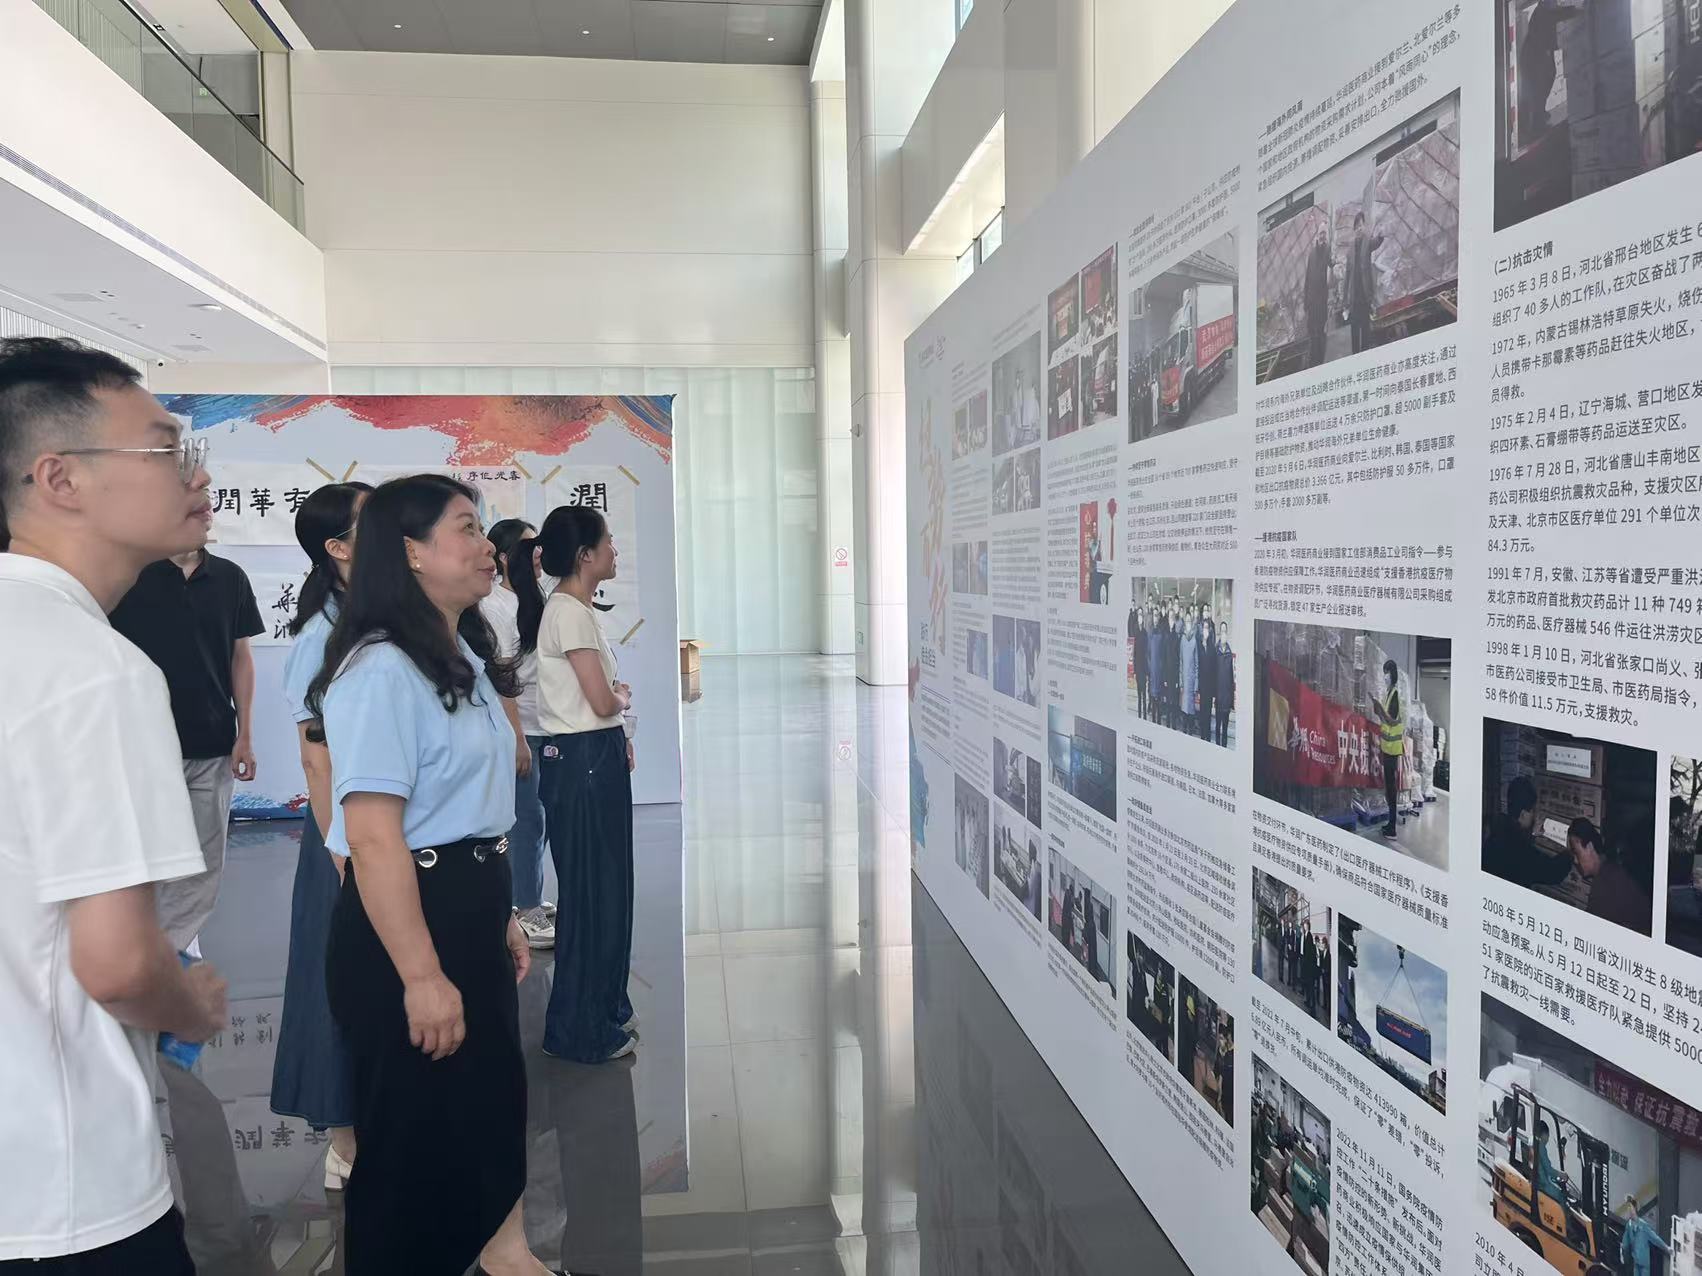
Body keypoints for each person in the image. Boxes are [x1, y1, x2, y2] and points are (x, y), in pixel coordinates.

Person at [0, 337, 227, 1271]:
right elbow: (122, 963)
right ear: (60, 478)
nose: (195, 475)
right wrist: (193, 1008)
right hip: (66, 1186)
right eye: (166, 448)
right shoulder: (97, 669)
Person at [307, 474, 545, 1276]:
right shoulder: (380, 669)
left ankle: (499, 1257)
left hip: (468, 902)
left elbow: (464, 805)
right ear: (410, 553)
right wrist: (420, 975)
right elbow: (375, 840)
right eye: (467, 529)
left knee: (482, 1111)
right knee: (412, 1141)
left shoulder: (456, 652)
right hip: (408, 921)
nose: (487, 548)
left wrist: (499, 912)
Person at [269, 480, 370, 1192]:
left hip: (388, 829)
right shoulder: (321, 635)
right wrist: (344, 849)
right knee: (336, 980)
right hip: (345, 838)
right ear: (337, 548)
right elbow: (317, 758)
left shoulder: (385, 617)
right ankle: (345, 1143)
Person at [516, 505, 639, 1064]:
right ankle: (580, 1029)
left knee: (605, 890)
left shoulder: (573, 609)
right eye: (608, 541)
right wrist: (620, 699)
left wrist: (615, 710)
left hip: (591, 756)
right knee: (594, 895)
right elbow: (600, 699)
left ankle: (605, 1007)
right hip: (585, 759)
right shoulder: (568, 611)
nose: (615, 550)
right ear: (586, 555)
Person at [109, 538, 263, 954]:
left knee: (204, 862)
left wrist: (245, 734)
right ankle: (142, 953)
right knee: (142, 860)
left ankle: (169, 950)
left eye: (209, 508)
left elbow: (241, 658)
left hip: (213, 742)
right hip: (143, 746)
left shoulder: (230, 577)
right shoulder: (129, 574)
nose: (205, 513)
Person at [483, 518, 556, 949]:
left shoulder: (536, 598)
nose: (539, 554)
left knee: (538, 817)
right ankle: (524, 908)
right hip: (521, 728)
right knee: (526, 819)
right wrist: (517, 738)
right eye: (530, 548)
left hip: (544, 724)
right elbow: (503, 677)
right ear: (506, 558)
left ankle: (530, 896)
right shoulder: (493, 606)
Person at [1484, 776, 1575, 890]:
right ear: (1523, 814)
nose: (1534, 815)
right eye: (1532, 811)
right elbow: (1553, 872)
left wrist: (1531, 835)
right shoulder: (1520, 851)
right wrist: (1571, 851)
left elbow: (1517, 846)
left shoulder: (1496, 833)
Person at [1569, 818, 1655, 935]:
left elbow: (1589, 932)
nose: (1575, 860)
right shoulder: (1611, 869)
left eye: (1576, 852)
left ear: (1589, 847)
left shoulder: (1604, 884)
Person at [1371, 659, 1405, 840]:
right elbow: (1384, 718)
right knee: (1388, 786)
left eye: (1387, 672)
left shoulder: (1395, 695)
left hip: (1393, 749)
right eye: (1384, 672)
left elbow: (1391, 720)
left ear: (1392, 674)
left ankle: (1392, 829)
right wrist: (1377, 709)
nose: (1385, 676)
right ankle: (1390, 824)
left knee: (1391, 788)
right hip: (1387, 747)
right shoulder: (1388, 694)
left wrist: (1381, 710)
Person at [1346, 213, 1386, 355]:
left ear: (1364, 227)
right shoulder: (1350, 248)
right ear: (1354, 229)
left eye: (1361, 225)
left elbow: (1376, 243)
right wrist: (1345, 298)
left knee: (1365, 327)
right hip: (1354, 296)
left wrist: (1380, 237)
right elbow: (1347, 274)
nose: (1359, 228)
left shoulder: (1367, 242)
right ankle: (1355, 356)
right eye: (1357, 226)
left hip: (1364, 294)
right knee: (1354, 329)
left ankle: (1364, 355)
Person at [1620, 1199, 1670, 1276]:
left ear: (1635, 1208)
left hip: (1644, 1263)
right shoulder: (1629, 1225)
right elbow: (1625, 1243)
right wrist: (1622, 1254)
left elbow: (1654, 1238)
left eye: (1630, 1207)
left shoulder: (1643, 1225)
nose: (1629, 1210)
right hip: (1635, 1262)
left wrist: (1666, 1248)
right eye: (1627, 1208)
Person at [1304, 231, 1331, 369]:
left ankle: (1321, 362)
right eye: (1320, 233)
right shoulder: (1311, 254)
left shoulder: (1327, 251)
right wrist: (1305, 301)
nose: (1322, 236)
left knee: (1321, 331)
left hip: (1322, 300)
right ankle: (1313, 363)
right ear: (1317, 236)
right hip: (1311, 300)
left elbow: (1332, 265)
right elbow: (1307, 278)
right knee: (1312, 332)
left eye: (1324, 234)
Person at [1179, 604, 1200, 739]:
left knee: (1191, 707)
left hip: (1192, 680)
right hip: (1184, 680)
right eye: (1186, 621)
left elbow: (1197, 664)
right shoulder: (1182, 639)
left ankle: (1191, 729)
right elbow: (1180, 661)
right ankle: (1185, 728)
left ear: (1191, 623)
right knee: (1184, 706)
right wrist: (1180, 681)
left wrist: (1196, 683)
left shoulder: (1194, 640)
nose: (1187, 623)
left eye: (1189, 621)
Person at [1214, 622, 1234, 747]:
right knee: (1217, 726)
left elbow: (1231, 678)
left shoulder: (1229, 654)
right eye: (1221, 631)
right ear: (1219, 633)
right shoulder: (1215, 652)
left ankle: (1224, 747)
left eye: (1225, 631)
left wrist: (1231, 700)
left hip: (1226, 697)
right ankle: (1217, 747)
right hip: (1218, 696)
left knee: (1225, 728)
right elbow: (1213, 675)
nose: (1223, 633)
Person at [1199, 611, 1217, 741]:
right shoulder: (1199, 646)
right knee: (1202, 712)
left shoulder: (1212, 648)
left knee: (1208, 712)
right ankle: (1202, 735)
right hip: (1202, 686)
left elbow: (1214, 670)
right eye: (1204, 628)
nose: (1205, 630)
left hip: (1210, 687)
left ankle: (1208, 736)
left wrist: (1214, 690)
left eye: (1207, 628)